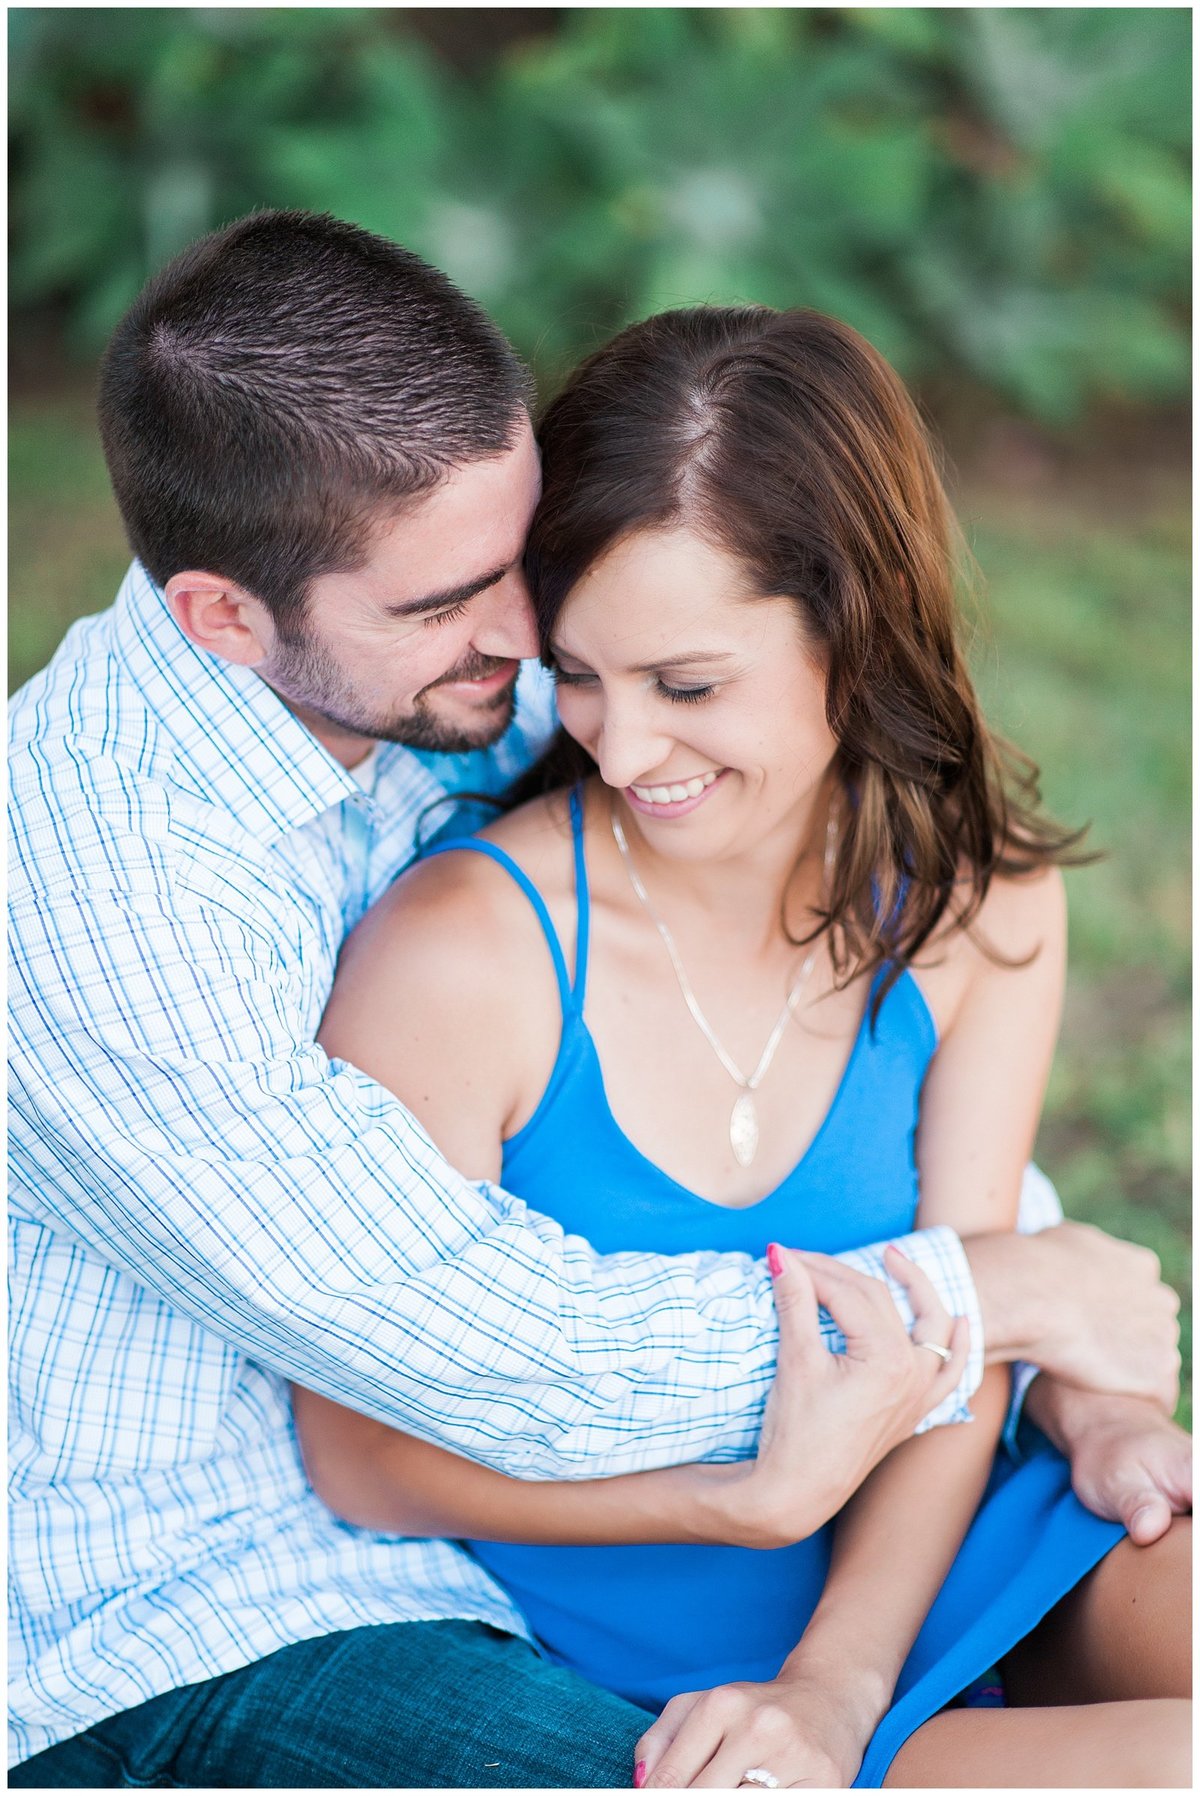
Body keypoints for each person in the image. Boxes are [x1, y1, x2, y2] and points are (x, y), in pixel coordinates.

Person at [8, 212, 1185, 1788]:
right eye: (454, 609)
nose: (536, 672)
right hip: (189, 1607)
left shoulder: (469, 702)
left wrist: (1056, 1379)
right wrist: (991, 1298)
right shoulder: (98, 894)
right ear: (227, 617)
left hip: (857, 1531)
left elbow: (911, 1139)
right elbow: (454, 1352)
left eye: (523, 571)